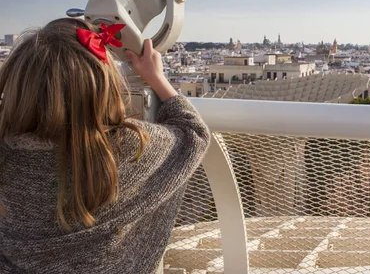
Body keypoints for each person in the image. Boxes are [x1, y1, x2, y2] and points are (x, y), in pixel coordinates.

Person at [0, 18, 211, 273]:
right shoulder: (126, 147)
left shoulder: (6, 153)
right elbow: (193, 135)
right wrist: (157, 79)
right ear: (102, 85)